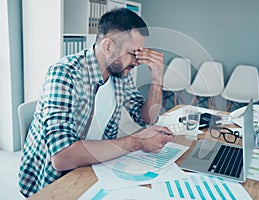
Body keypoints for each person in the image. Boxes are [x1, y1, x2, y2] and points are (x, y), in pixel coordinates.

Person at [18, 8, 174, 197]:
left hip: (94, 165)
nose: (138, 61)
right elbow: (62, 158)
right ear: (108, 46)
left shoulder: (120, 75)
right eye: (133, 53)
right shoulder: (64, 74)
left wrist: (157, 78)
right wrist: (137, 142)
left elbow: (147, 119)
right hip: (53, 181)